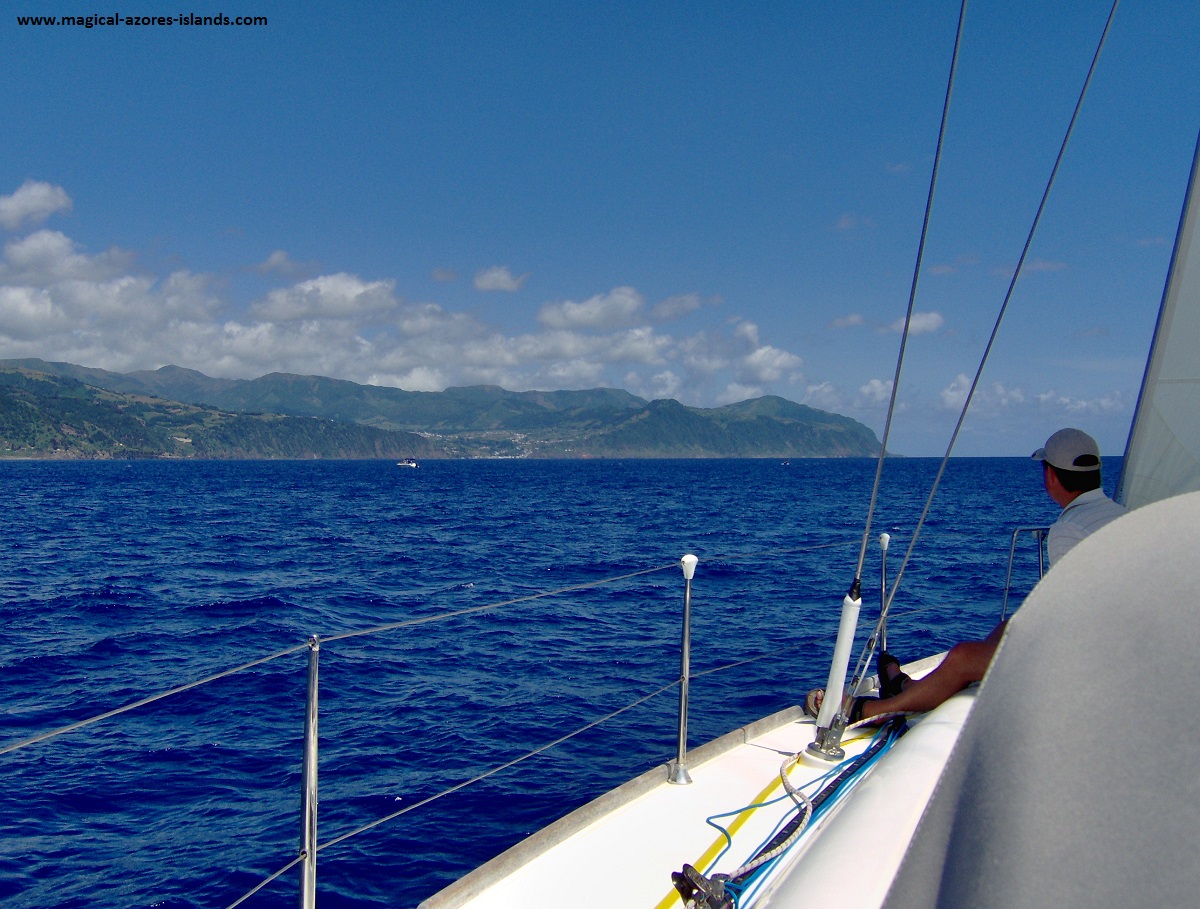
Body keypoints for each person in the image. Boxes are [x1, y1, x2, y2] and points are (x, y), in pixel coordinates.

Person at [807, 428, 1127, 724]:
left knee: (962, 657)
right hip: (1121, 642)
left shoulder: (1067, 530)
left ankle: (867, 709)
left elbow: (1070, 610)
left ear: (1051, 477)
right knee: (1007, 628)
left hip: (1091, 656)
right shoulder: (1121, 514)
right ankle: (906, 685)